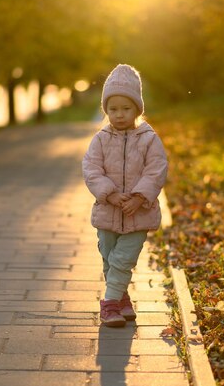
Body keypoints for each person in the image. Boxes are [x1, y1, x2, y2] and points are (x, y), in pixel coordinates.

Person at [82, 64, 168, 327]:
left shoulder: (149, 138)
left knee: (123, 259)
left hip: (137, 213)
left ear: (137, 109)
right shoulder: (100, 139)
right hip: (108, 211)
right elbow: (91, 168)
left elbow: (156, 169)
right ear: (105, 110)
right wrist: (108, 193)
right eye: (112, 109)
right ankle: (121, 299)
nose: (119, 115)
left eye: (126, 108)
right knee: (109, 258)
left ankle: (108, 304)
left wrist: (139, 197)